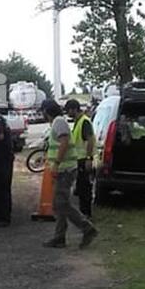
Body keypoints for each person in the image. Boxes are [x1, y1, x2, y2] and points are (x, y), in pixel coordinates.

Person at [40, 99, 98, 249]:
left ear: (46, 111)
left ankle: (87, 228)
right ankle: (59, 237)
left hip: (65, 169)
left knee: (61, 203)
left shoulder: (59, 122)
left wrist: (57, 163)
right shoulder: (58, 123)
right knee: (59, 204)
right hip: (63, 168)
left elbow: (64, 142)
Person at [65, 99, 96, 218]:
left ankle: (86, 213)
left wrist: (89, 158)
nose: (68, 114)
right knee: (81, 187)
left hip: (84, 159)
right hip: (80, 159)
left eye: (68, 111)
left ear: (73, 109)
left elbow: (90, 140)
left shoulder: (84, 122)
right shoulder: (78, 121)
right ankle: (83, 212)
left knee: (85, 188)